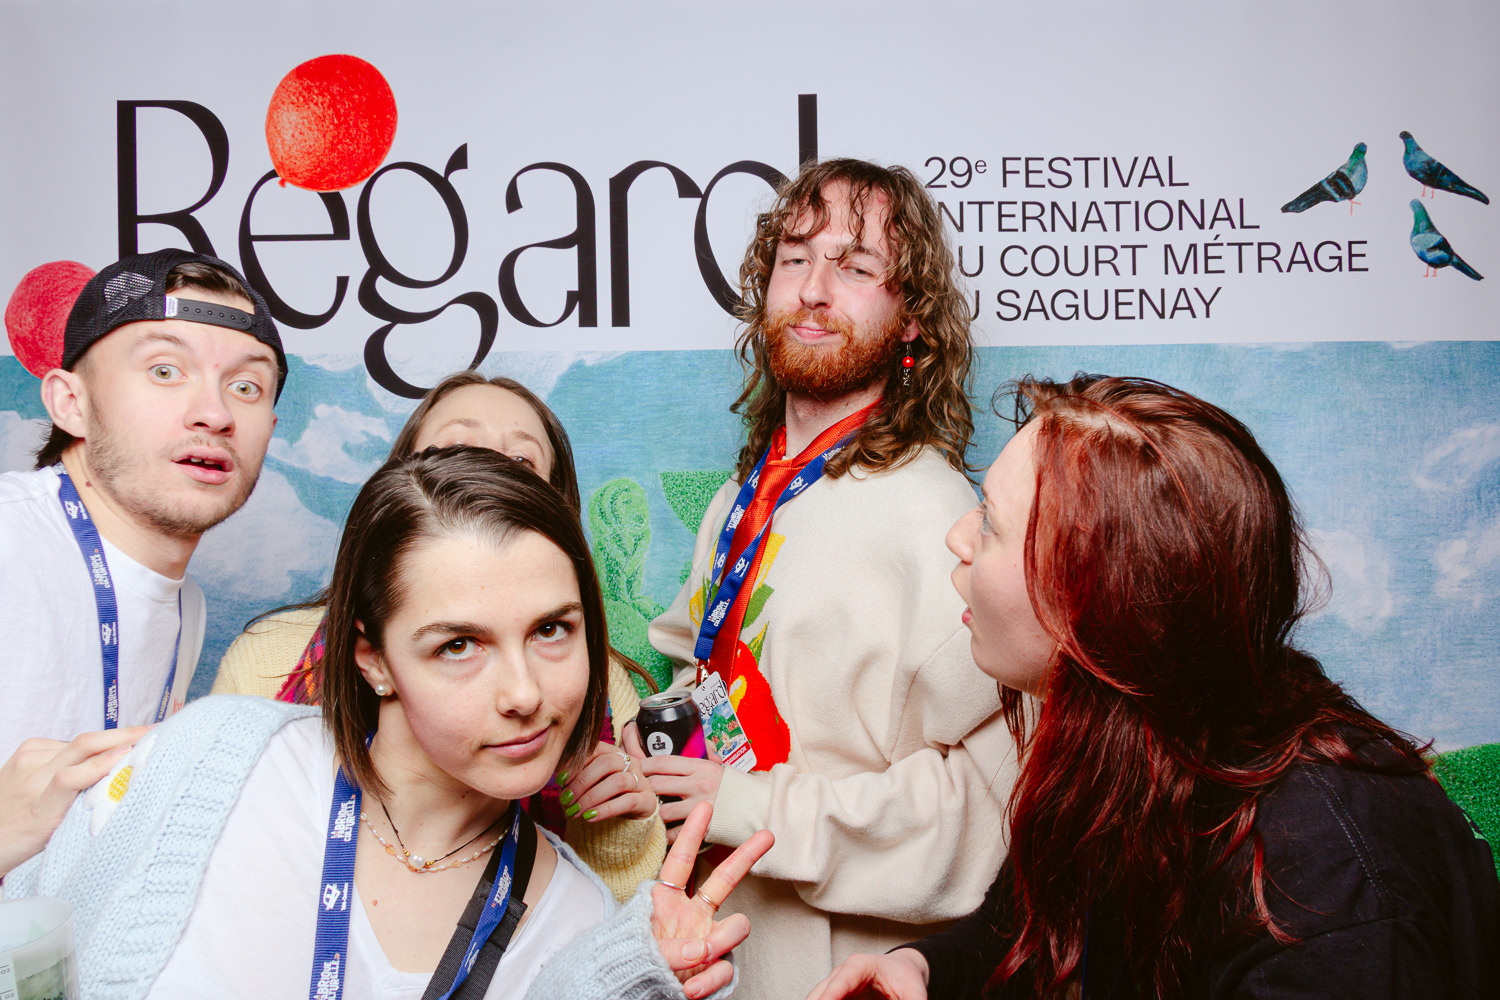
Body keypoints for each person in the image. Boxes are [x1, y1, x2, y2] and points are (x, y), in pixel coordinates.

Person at [806, 375, 1500, 1000]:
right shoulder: (1135, 740)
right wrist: (924, 968)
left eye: (991, 524)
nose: (958, 538)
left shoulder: (1327, 904)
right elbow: (1030, 921)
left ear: (1100, 602)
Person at [3, 447, 774, 1000]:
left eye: (552, 630)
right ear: (372, 659)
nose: (525, 693)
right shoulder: (216, 761)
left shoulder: (582, 926)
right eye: (459, 645)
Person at [632, 159, 1017, 1000]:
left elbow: (986, 811)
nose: (812, 289)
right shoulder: (742, 499)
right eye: (795, 259)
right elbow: (699, 667)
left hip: (846, 978)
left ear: (911, 317)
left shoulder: (939, 521)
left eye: (855, 266)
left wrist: (751, 806)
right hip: (714, 959)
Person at [211, 370, 668, 902]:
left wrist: (620, 826)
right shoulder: (269, 660)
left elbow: (608, 927)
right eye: (456, 451)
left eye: (521, 463)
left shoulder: (594, 681)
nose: (487, 473)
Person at [0, 248, 285, 763]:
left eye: (246, 386)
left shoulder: (186, 604)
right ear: (71, 403)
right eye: (165, 371)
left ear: (270, 429)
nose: (215, 413)